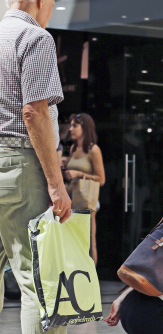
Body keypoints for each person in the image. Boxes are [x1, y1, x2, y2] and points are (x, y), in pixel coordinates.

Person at [0, 0, 102, 334]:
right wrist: (57, 185)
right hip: (20, 167)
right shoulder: (35, 39)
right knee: (37, 283)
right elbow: (34, 110)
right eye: (52, 2)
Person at [62, 113, 104, 265]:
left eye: (75, 125)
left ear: (84, 128)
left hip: (86, 200)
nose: (70, 129)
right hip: (72, 198)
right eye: (70, 125)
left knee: (88, 238)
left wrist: (79, 174)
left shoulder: (93, 150)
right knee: (73, 239)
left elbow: (101, 179)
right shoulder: (73, 148)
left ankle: (91, 276)